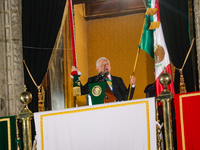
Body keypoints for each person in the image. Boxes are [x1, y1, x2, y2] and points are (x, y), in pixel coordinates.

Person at [71, 57, 136, 101]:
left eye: (107, 64)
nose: (105, 66)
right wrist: (76, 77)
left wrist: (132, 85)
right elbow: (80, 91)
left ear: (110, 67)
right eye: (102, 65)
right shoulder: (93, 80)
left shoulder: (118, 80)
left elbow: (127, 97)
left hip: (119, 111)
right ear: (97, 68)